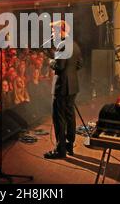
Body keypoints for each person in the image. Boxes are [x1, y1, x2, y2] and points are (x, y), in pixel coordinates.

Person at [44, 20, 83, 159]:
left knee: (59, 118)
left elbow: (59, 66)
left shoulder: (62, 45)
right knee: (70, 116)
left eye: (54, 31)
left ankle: (59, 151)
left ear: (61, 30)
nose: (53, 33)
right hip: (73, 86)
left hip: (61, 87)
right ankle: (69, 146)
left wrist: (50, 61)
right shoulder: (75, 44)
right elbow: (79, 64)